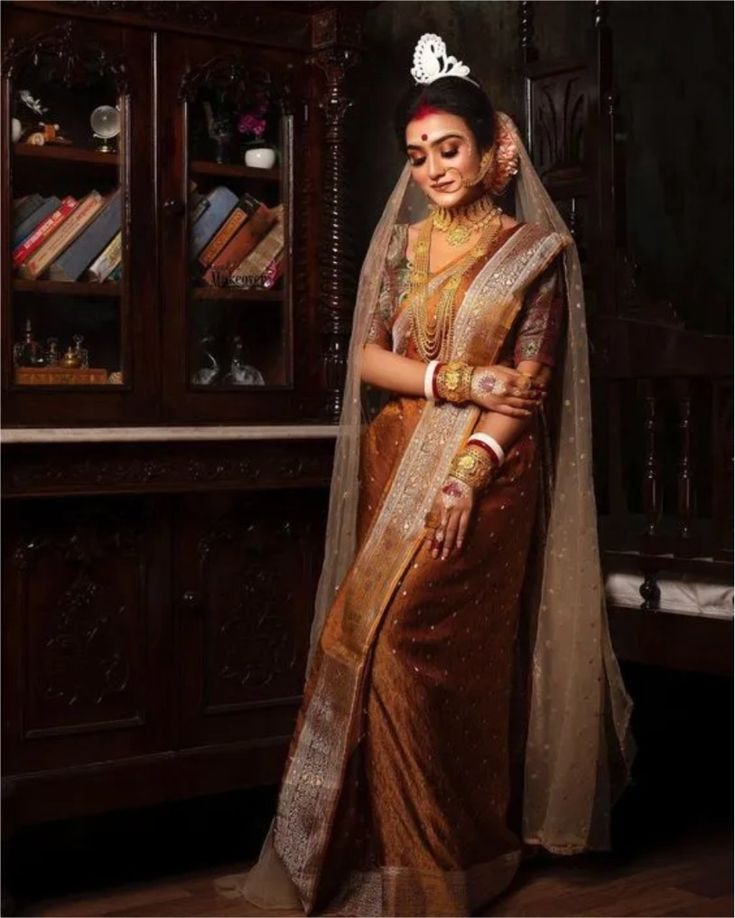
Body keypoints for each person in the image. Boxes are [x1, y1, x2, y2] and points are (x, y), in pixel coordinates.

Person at [215, 32, 636, 917]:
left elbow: (525, 391)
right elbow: (366, 361)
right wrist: (451, 378)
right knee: (351, 642)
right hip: (393, 455)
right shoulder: (401, 248)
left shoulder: (533, 257)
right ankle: (361, 860)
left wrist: (465, 476)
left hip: (483, 478)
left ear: (493, 152)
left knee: (409, 647)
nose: (434, 169)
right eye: (418, 157)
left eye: (450, 150)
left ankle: (452, 858)